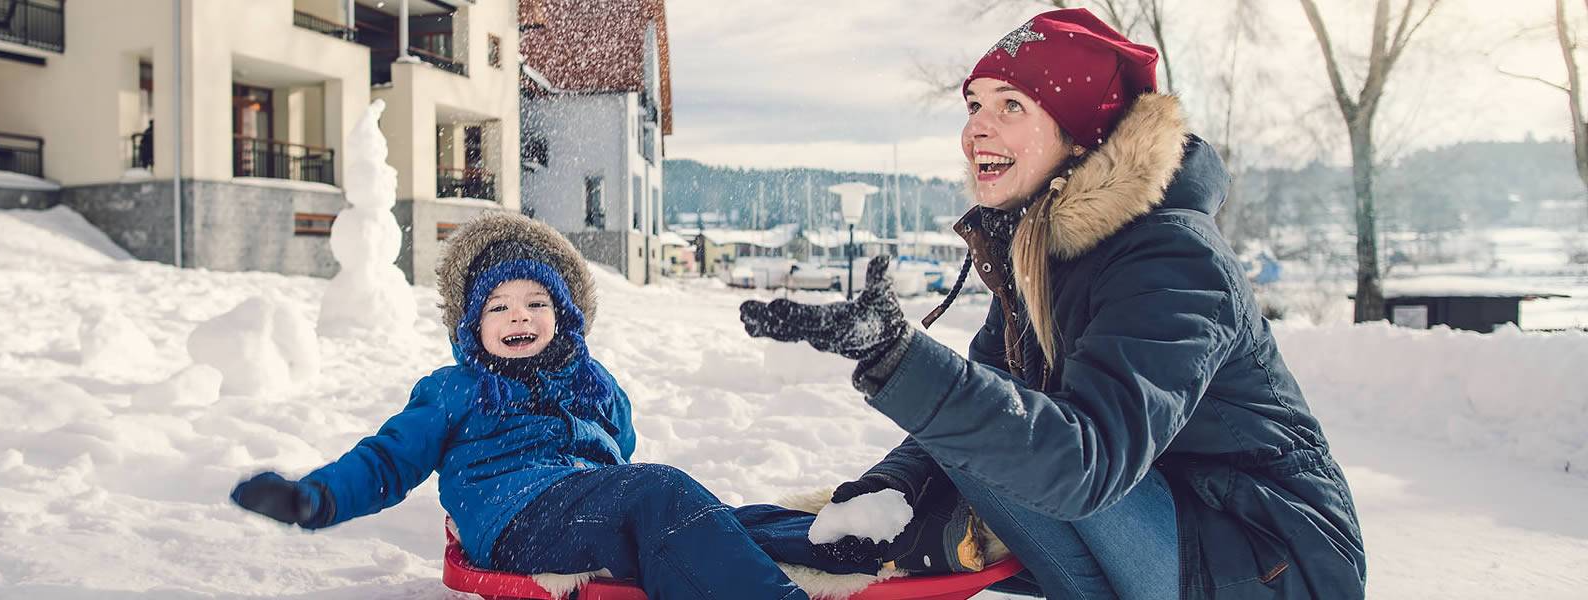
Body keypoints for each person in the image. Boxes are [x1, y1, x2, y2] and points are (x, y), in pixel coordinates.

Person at [738, 9, 1365, 600]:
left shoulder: (1172, 257)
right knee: (986, 434)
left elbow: (1086, 462)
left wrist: (901, 362)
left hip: (1267, 558)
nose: (977, 125)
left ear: (1079, 134)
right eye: (976, 104)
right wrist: (885, 489)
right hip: (1157, 519)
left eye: (1011, 105)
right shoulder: (1037, 251)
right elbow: (983, 403)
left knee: (1002, 441)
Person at [229, 212, 882, 599]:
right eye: (500, 307)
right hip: (516, 521)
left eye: (538, 305)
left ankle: (858, 542)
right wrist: (315, 498)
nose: (520, 317)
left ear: (563, 318)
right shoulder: (455, 388)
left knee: (716, 518)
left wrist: (579, 370)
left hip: (583, 503)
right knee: (662, 495)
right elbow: (387, 461)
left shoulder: (581, 376)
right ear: (470, 327)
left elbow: (618, 439)